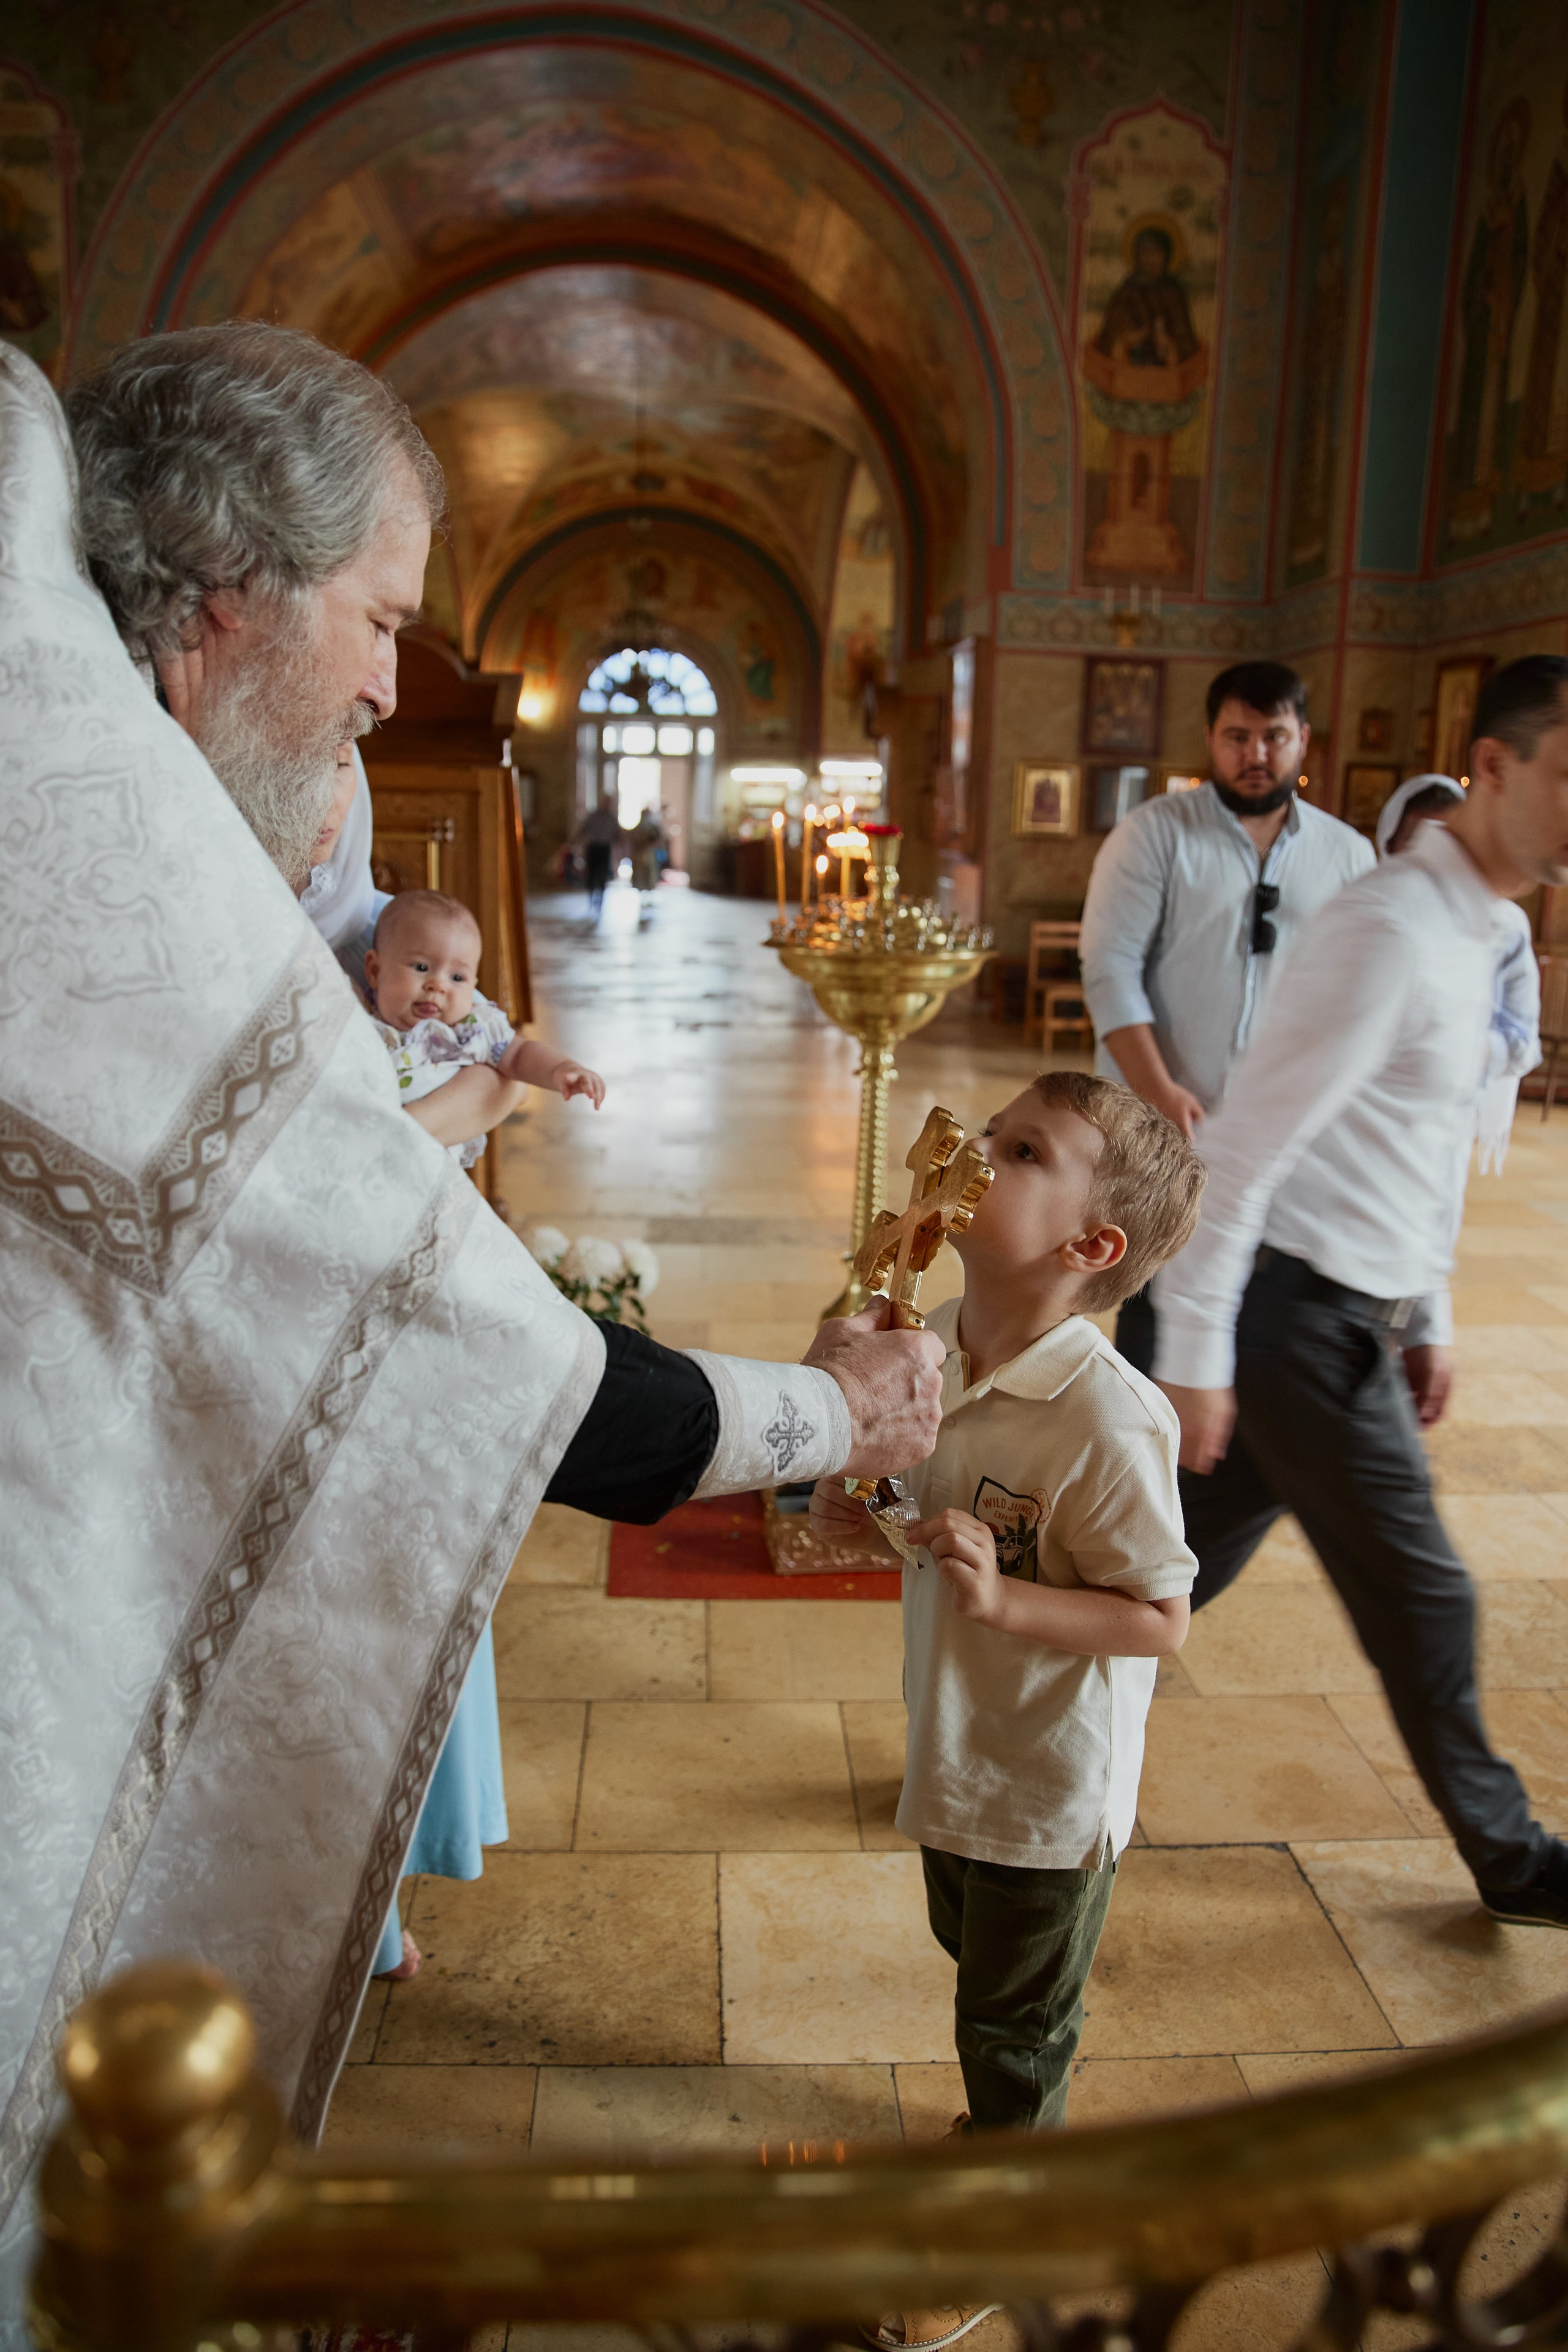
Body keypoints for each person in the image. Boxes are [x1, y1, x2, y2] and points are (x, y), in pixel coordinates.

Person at [0, 329, 943, 2320]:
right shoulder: (114, 894)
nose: (385, 687)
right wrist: (825, 1415)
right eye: (379, 622)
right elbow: (479, 1356)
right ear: (225, 599)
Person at [1151, 655, 1568, 1930]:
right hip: (1297, 1327)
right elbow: (1243, 1147)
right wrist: (1193, 1354)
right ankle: (1514, 1861)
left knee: (1159, 1570)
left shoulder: (1484, 929)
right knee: (1427, 1597)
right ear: (1492, 768)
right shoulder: (1388, 928)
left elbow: (1419, 1149)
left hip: (1345, 1318)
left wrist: (1427, 1313)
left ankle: (991, 1716)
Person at [812, 1073, 1205, 2348]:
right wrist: (860, 1506)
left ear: (1090, 1248)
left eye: (1024, 1152)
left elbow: (1159, 1617)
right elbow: (915, 1509)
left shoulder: (1106, 1419)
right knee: (969, 1953)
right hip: (957, 1743)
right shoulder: (932, 1339)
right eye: (989, 1133)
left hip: (1048, 1782)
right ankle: (1000, 2129)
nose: (977, 1156)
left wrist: (1005, 1601)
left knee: (1012, 2021)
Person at [1079, 659, 1372, 1372]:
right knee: (1152, 1307)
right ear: (1211, 738)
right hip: (1162, 1126)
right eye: (1237, 737)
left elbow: (1358, 995)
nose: (1255, 754)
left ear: (1303, 739)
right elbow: (1110, 970)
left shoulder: (1347, 855)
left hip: (1284, 1134)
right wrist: (1158, 1089)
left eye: (1274, 737)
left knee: (1265, 1312)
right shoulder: (1154, 834)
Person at [365, 888, 605, 1169]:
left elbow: (518, 1054)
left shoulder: (471, 1030)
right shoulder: (360, 1021)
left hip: (428, 1168)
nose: (438, 986)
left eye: (457, 977)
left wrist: (562, 1069)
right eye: (421, 967)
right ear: (375, 971)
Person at [1376, 773, 1540, 1172]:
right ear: (1389, 845)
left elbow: (1523, 1039)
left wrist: (1457, 1050)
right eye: (1415, 842)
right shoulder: (1368, 917)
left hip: (1449, 1113)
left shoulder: (1505, 927)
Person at [576, 791, 622, 915]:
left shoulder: (612, 818)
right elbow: (583, 830)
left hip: (604, 849)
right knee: (591, 874)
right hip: (593, 848)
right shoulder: (593, 816)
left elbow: (617, 835)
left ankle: (601, 899)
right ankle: (591, 898)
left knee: (603, 874)